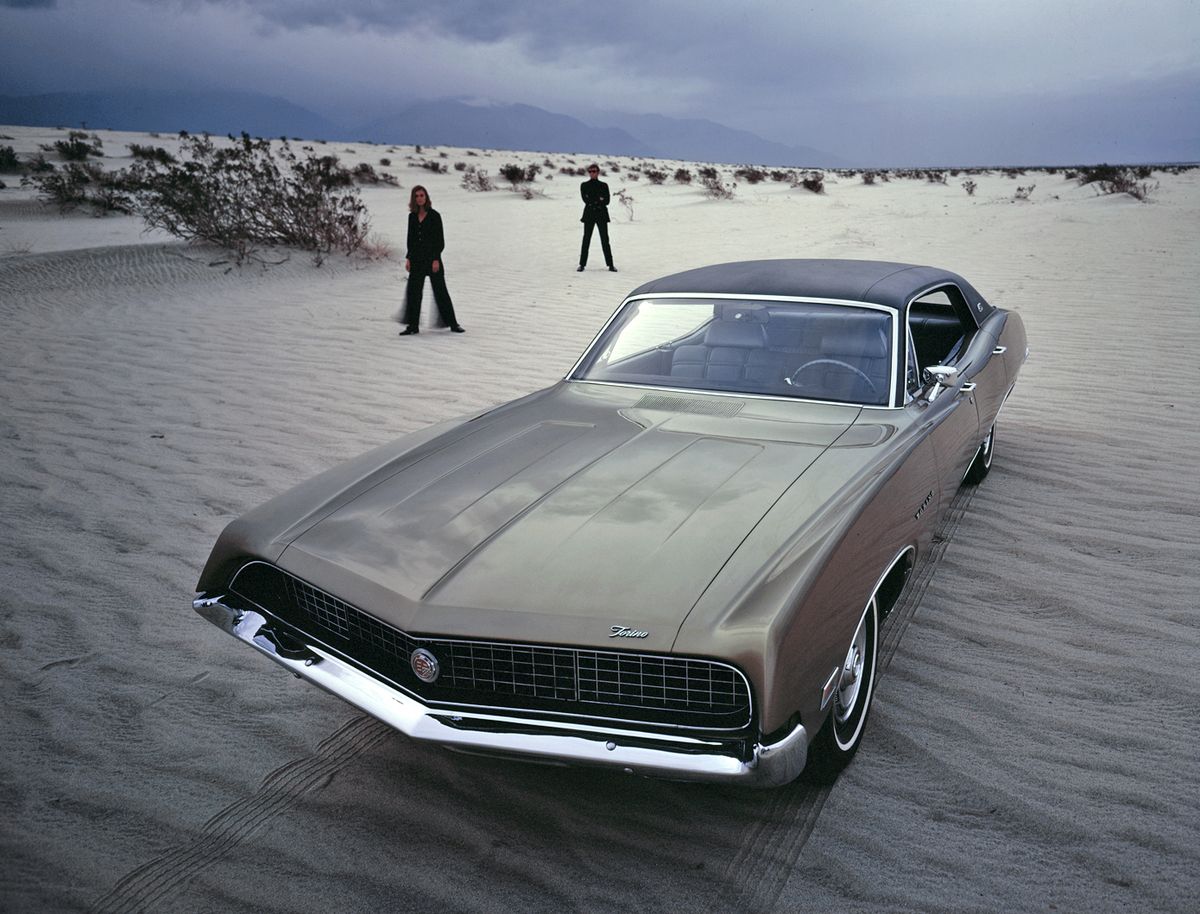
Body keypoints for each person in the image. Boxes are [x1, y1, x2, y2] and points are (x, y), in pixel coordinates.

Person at [400, 185, 464, 335]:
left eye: (422, 195)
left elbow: (440, 240)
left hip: (432, 259)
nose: (419, 198)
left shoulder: (435, 216)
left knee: (440, 291)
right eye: (416, 196)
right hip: (416, 259)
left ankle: (453, 324)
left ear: (426, 197)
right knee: (413, 293)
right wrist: (408, 258)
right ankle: (412, 326)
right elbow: (411, 239)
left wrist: (436, 259)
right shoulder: (412, 217)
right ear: (413, 199)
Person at [578, 164, 616, 272]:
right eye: (590, 171)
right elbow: (585, 199)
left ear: (598, 172)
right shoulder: (584, 185)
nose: (592, 173)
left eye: (594, 171)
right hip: (589, 215)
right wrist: (599, 199)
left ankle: (610, 264)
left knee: (605, 240)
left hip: (601, 215)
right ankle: (582, 264)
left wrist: (595, 199)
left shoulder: (604, 185)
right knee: (586, 239)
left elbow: (607, 201)